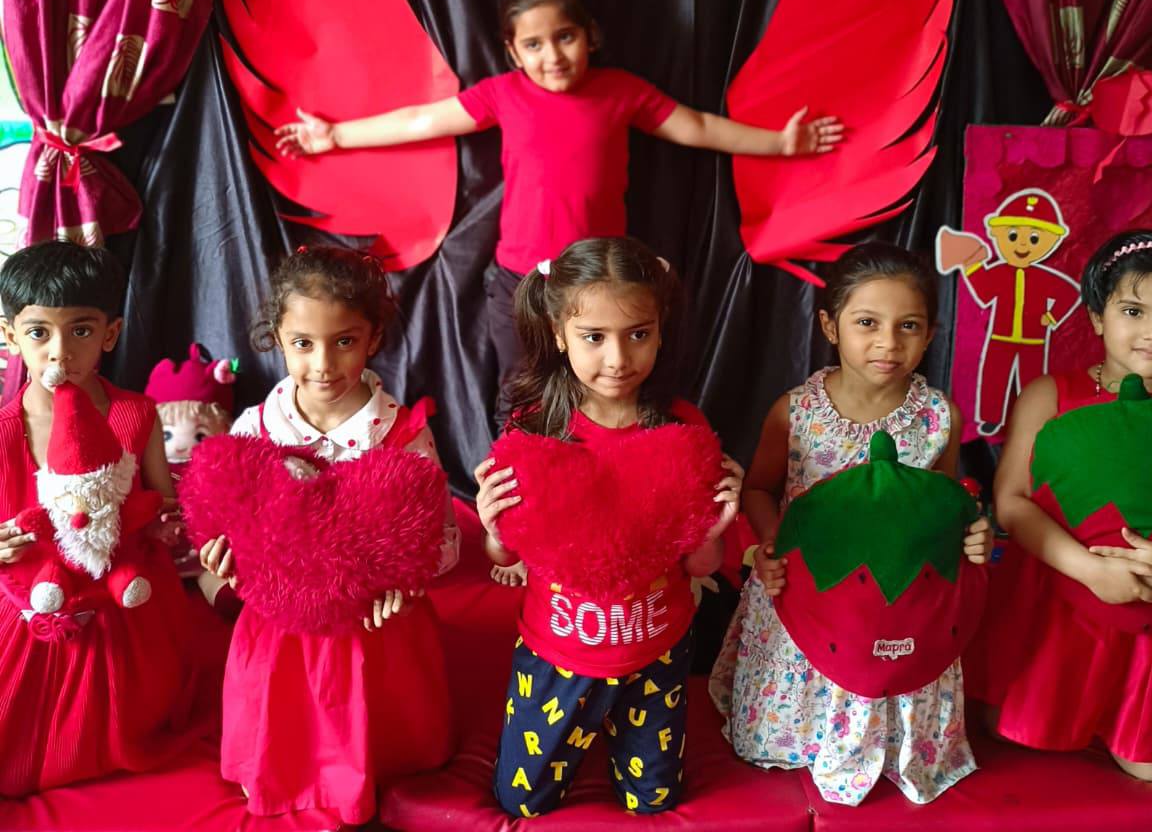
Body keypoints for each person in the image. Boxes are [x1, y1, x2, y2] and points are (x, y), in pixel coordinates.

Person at [275, 0, 843, 418]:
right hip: (519, 282)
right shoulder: (504, 94)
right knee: (520, 391)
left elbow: (695, 127)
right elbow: (421, 121)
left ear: (589, 36)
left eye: (565, 37)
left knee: (609, 389)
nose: (552, 56)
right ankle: (519, 489)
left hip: (601, 284)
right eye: (535, 44)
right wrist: (335, 136)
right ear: (513, 52)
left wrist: (779, 144)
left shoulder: (619, 91)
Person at [710, 243, 992, 806]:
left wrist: (974, 533)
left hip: (898, 607)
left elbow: (946, 506)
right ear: (829, 326)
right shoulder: (796, 412)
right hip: (807, 592)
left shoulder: (940, 417)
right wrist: (771, 543)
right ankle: (801, 736)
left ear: (931, 335)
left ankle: (894, 747)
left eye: (908, 325)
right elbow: (760, 489)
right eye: (867, 323)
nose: (889, 342)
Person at [474, 237, 742, 815]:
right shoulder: (535, 430)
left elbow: (701, 564)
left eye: (637, 334)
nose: (618, 358)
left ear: (661, 330)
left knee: (654, 801)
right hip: (557, 655)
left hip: (656, 653)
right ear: (558, 333)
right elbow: (503, 556)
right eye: (594, 337)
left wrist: (714, 527)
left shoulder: (680, 430)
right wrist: (493, 526)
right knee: (521, 801)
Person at [200, 246, 460, 823]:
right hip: (282, 623)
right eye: (303, 343)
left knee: (366, 710)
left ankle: (371, 765)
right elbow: (229, 519)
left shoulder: (402, 434)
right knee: (285, 711)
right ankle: (284, 765)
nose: (323, 363)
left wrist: (404, 579)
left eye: (344, 341)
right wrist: (223, 553)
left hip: (372, 625)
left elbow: (442, 537)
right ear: (278, 337)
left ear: (373, 338)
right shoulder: (255, 428)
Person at [986, 230, 1152, 781]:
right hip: (1059, 611)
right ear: (1096, 318)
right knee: (1016, 740)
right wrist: (1089, 569)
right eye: (1134, 311)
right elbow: (1011, 502)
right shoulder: (1050, 395)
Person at [0, 241, 209, 795]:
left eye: (81, 331)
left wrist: (168, 526)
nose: (60, 353)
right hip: (30, 597)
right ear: (10, 336)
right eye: (39, 333)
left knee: (135, 713)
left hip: (123, 596)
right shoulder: (3, 429)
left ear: (110, 334)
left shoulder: (134, 414)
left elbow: (163, 503)